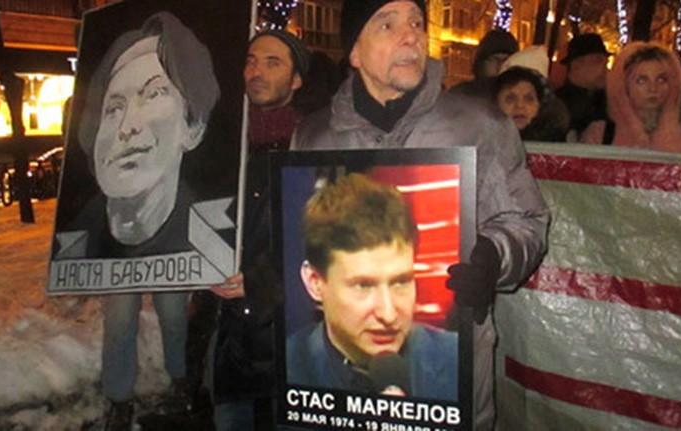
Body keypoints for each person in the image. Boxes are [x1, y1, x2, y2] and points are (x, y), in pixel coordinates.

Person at [291, 0, 549, 428]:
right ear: (354, 52)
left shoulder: (479, 124)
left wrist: (494, 256)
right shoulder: (313, 135)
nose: (410, 35)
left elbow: (527, 221)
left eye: (415, 22)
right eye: (387, 25)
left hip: (453, 398)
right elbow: (301, 234)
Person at [53, 12, 220, 430]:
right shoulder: (86, 234)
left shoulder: (204, 228)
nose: (127, 127)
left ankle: (182, 384)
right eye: (113, 107)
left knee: (174, 317)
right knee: (119, 322)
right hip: (114, 257)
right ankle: (119, 400)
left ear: (192, 127)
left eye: (153, 94)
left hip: (174, 253)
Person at [209, 30, 309, 431]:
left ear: (296, 79)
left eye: (272, 62)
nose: (256, 71)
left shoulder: (311, 144)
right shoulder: (218, 144)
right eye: (251, 60)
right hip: (230, 330)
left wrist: (259, 282)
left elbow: (317, 239)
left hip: (288, 330)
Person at [286, 173, 458, 400]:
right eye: (363, 286)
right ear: (315, 283)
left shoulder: (457, 361)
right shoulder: (288, 369)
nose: (388, 314)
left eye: (401, 282)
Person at [580, 42, 681, 153]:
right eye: (642, 80)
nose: (653, 88)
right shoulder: (600, 135)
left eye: (661, 79)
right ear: (624, 85)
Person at [494, 46, 570, 142]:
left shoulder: (555, 146)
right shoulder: (481, 140)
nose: (520, 106)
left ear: (541, 104)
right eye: (510, 98)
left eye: (529, 99)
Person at [554, 33, 611, 139]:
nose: (605, 69)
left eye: (605, 63)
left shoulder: (610, 104)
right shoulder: (556, 106)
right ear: (576, 65)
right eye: (597, 61)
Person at [449, 29, 519, 97]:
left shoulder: (520, 98)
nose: (500, 65)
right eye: (495, 59)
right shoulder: (462, 95)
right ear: (482, 63)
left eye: (506, 60)